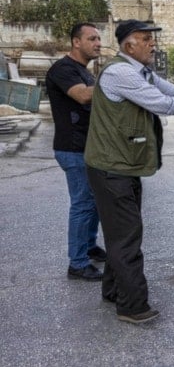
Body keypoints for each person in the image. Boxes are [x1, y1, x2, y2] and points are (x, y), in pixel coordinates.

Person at [84, 19, 174, 324]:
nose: (153, 44)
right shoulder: (121, 72)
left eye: (152, 39)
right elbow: (165, 104)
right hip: (111, 168)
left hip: (121, 165)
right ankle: (132, 306)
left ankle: (114, 290)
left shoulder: (141, 71)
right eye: (145, 39)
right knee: (127, 236)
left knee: (120, 233)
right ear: (128, 45)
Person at [46, 22, 107, 281]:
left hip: (87, 147)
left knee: (92, 201)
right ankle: (77, 263)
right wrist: (118, 84)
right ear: (76, 42)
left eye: (98, 39)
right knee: (82, 204)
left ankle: (88, 245)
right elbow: (82, 96)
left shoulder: (84, 71)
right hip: (72, 148)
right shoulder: (63, 70)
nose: (98, 43)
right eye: (92, 38)